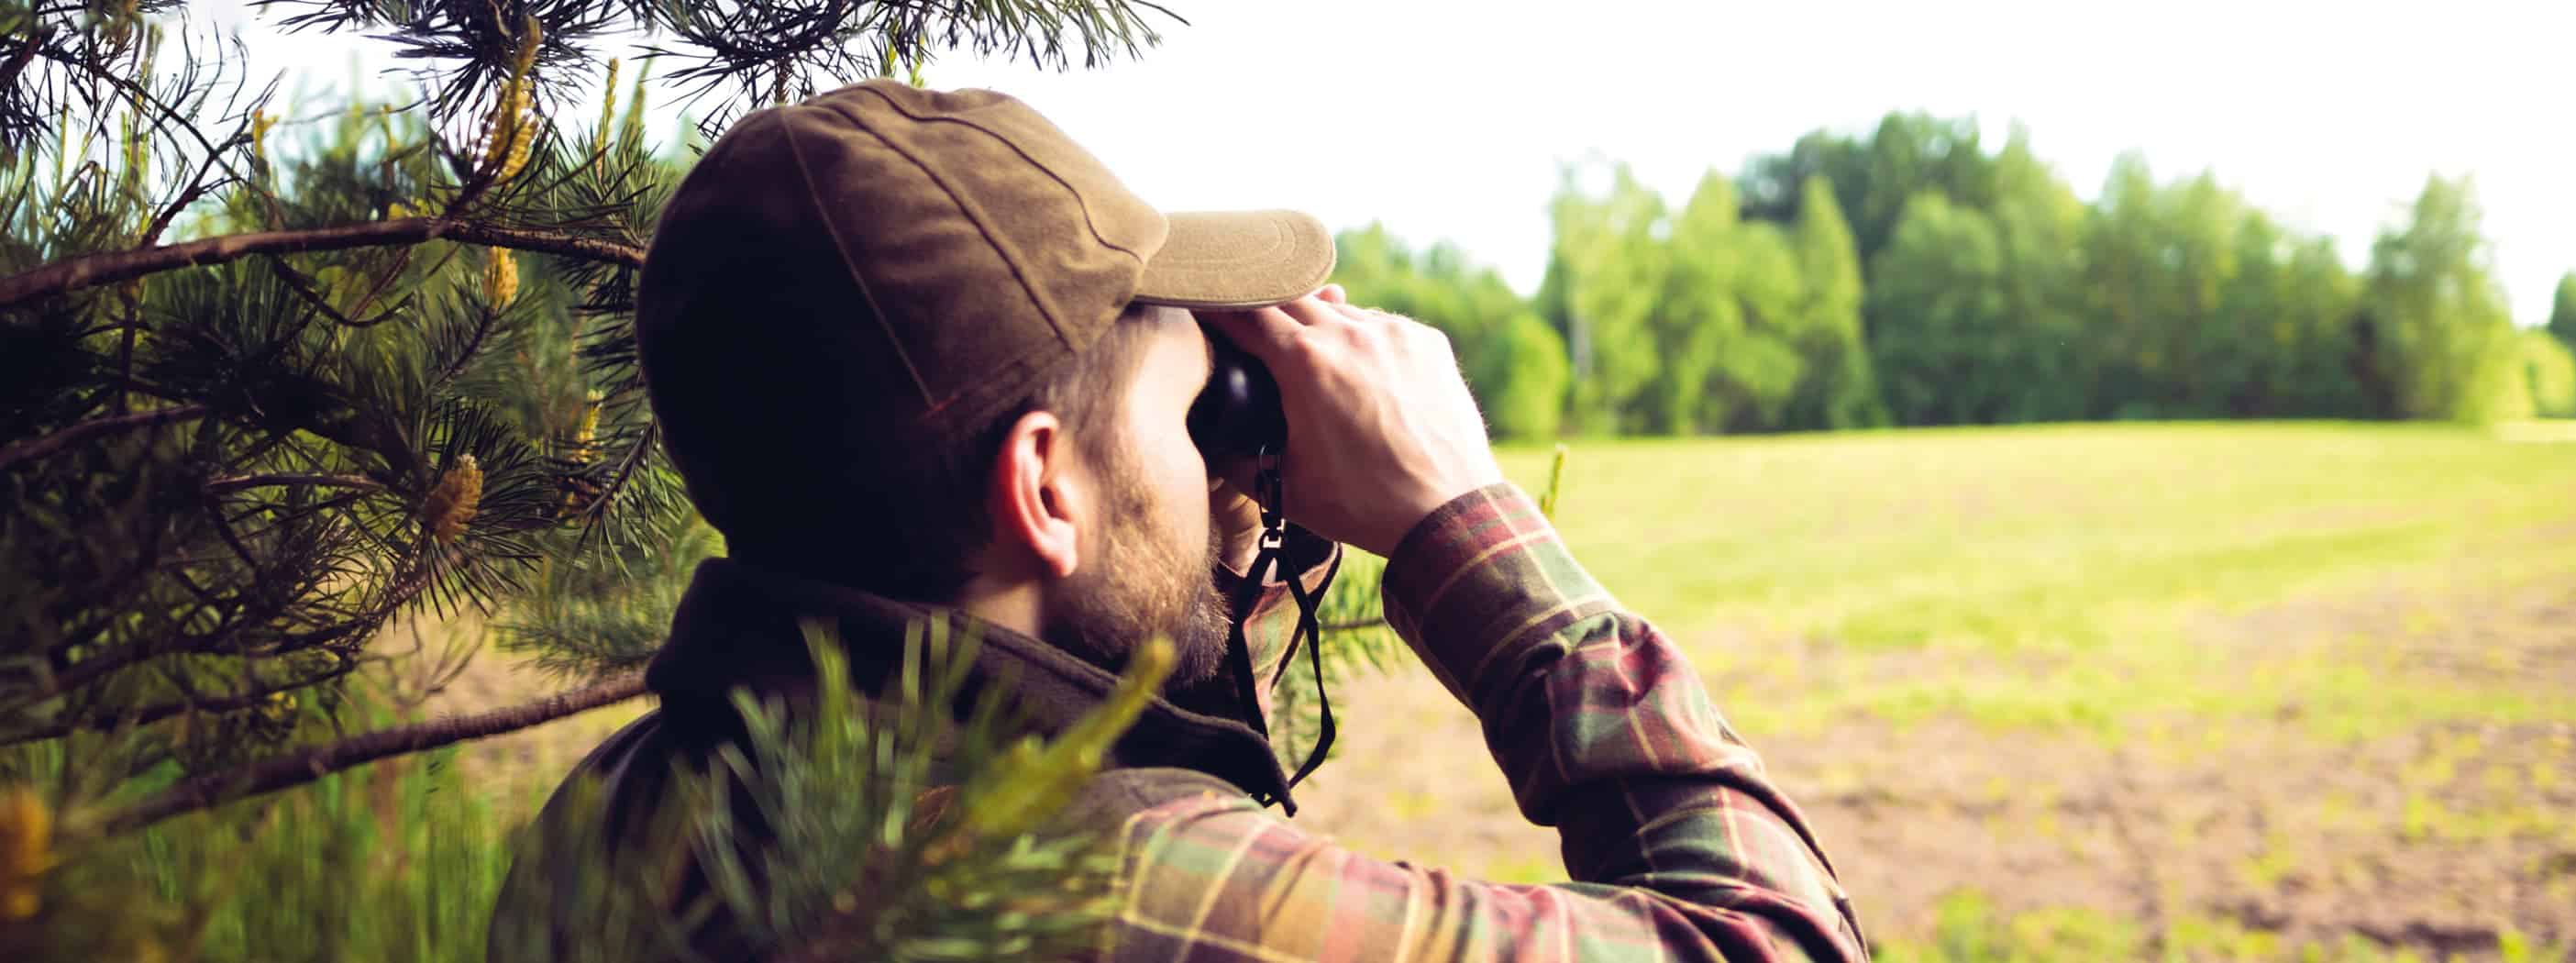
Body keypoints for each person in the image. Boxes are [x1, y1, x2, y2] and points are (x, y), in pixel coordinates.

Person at [491, 79, 1867, 961]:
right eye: (1193, 407)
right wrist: (1467, 514)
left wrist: (1198, 584)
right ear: (1042, 488)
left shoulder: (604, 817)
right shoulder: (1127, 888)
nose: (1227, 461)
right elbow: (1779, 938)